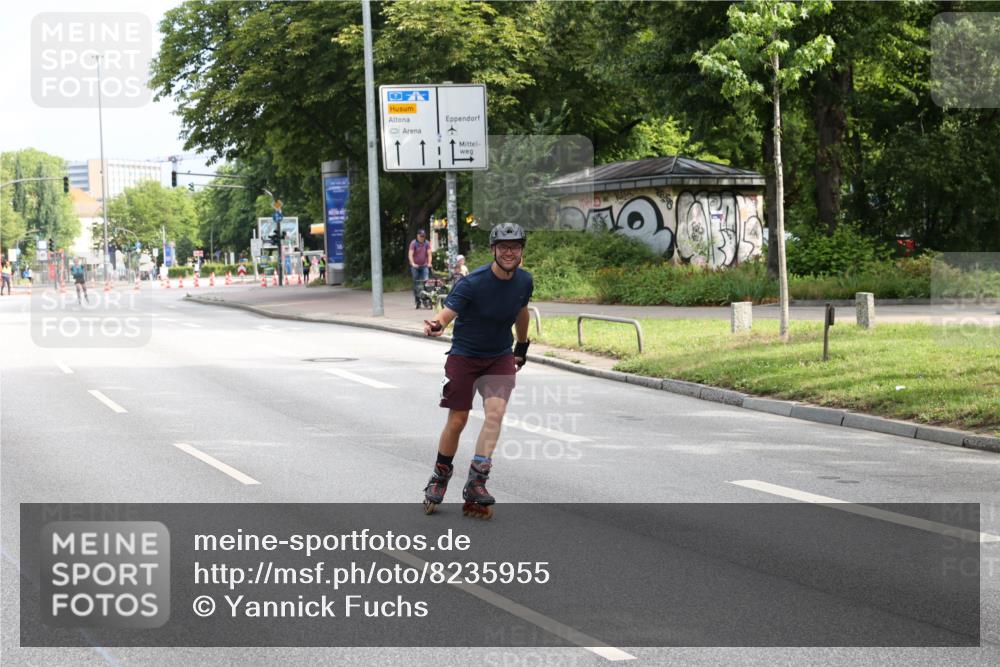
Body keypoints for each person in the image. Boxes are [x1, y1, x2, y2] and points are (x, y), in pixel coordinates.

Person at [421, 223, 533, 519]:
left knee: (494, 415)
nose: (510, 252)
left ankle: (477, 482)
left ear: (522, 251)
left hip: (498, 356)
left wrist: (521, 347)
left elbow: (522, 311)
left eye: (515, 247)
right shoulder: (472, 283)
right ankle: (439, 476)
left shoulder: (524, 281)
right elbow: (446, 315)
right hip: (464, 357)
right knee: (458, 419)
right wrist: (436, 325)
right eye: (504, 247)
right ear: (494, 250)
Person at [408, 229, 432, 309]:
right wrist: (413, 263)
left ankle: (426, 300)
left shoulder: (426, 243)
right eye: (421, 236)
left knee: (426, 282)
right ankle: (417, 300)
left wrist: (429, 263)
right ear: (417, 236)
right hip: (415, 266)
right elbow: (410, 255)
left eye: (423, 236)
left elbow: (429, 254)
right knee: (416, 283)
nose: (422, 238)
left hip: (424, 266)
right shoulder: (413, 243)